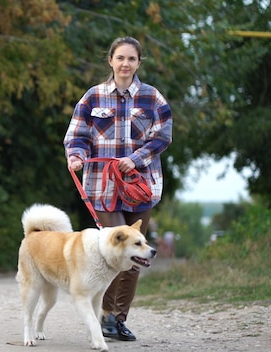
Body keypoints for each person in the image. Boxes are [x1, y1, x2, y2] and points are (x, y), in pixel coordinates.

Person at [63, 36, 173, 341]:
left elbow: (162, 136)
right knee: (112, 251)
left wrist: (135, 159)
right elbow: (77, 135)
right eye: (120, 58)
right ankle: (105, 316)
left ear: (139, 63)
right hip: (101, 186)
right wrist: (76, 156)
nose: (126, 64)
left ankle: (116, 319)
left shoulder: (152, 98)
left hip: (140, 189)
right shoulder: (92, 97)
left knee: (135, 253)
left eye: (132, 59)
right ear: (110, 60)